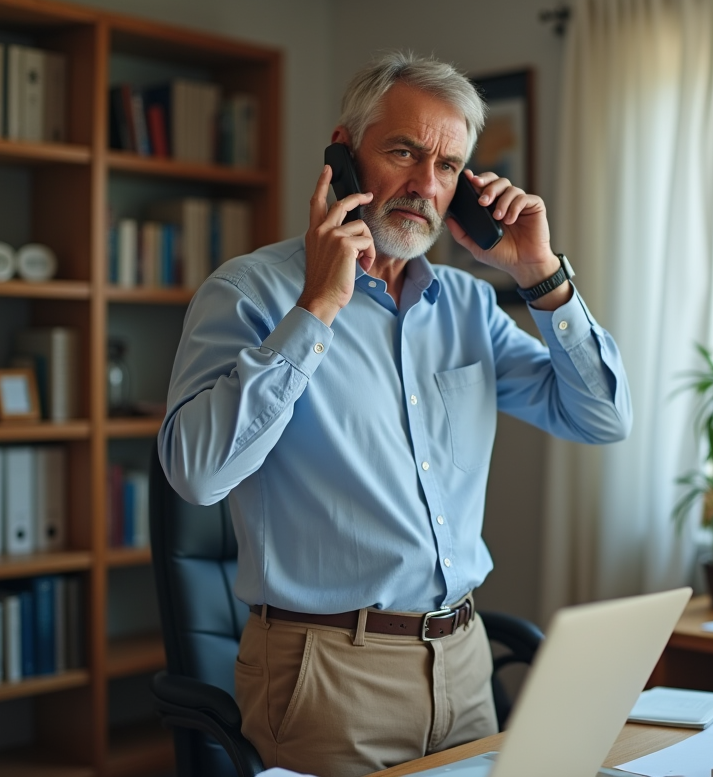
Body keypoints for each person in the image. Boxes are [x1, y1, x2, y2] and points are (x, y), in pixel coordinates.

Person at [158, 51, 632, 777]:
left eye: (447, 167)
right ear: (343, 157)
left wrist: (540, 277)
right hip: (325, 674)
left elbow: (601, 418)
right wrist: (316, 310)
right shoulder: (249, 293)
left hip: (467, 664)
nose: (424, 186)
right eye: (404, 152)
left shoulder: (470, 305)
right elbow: (197, 475)